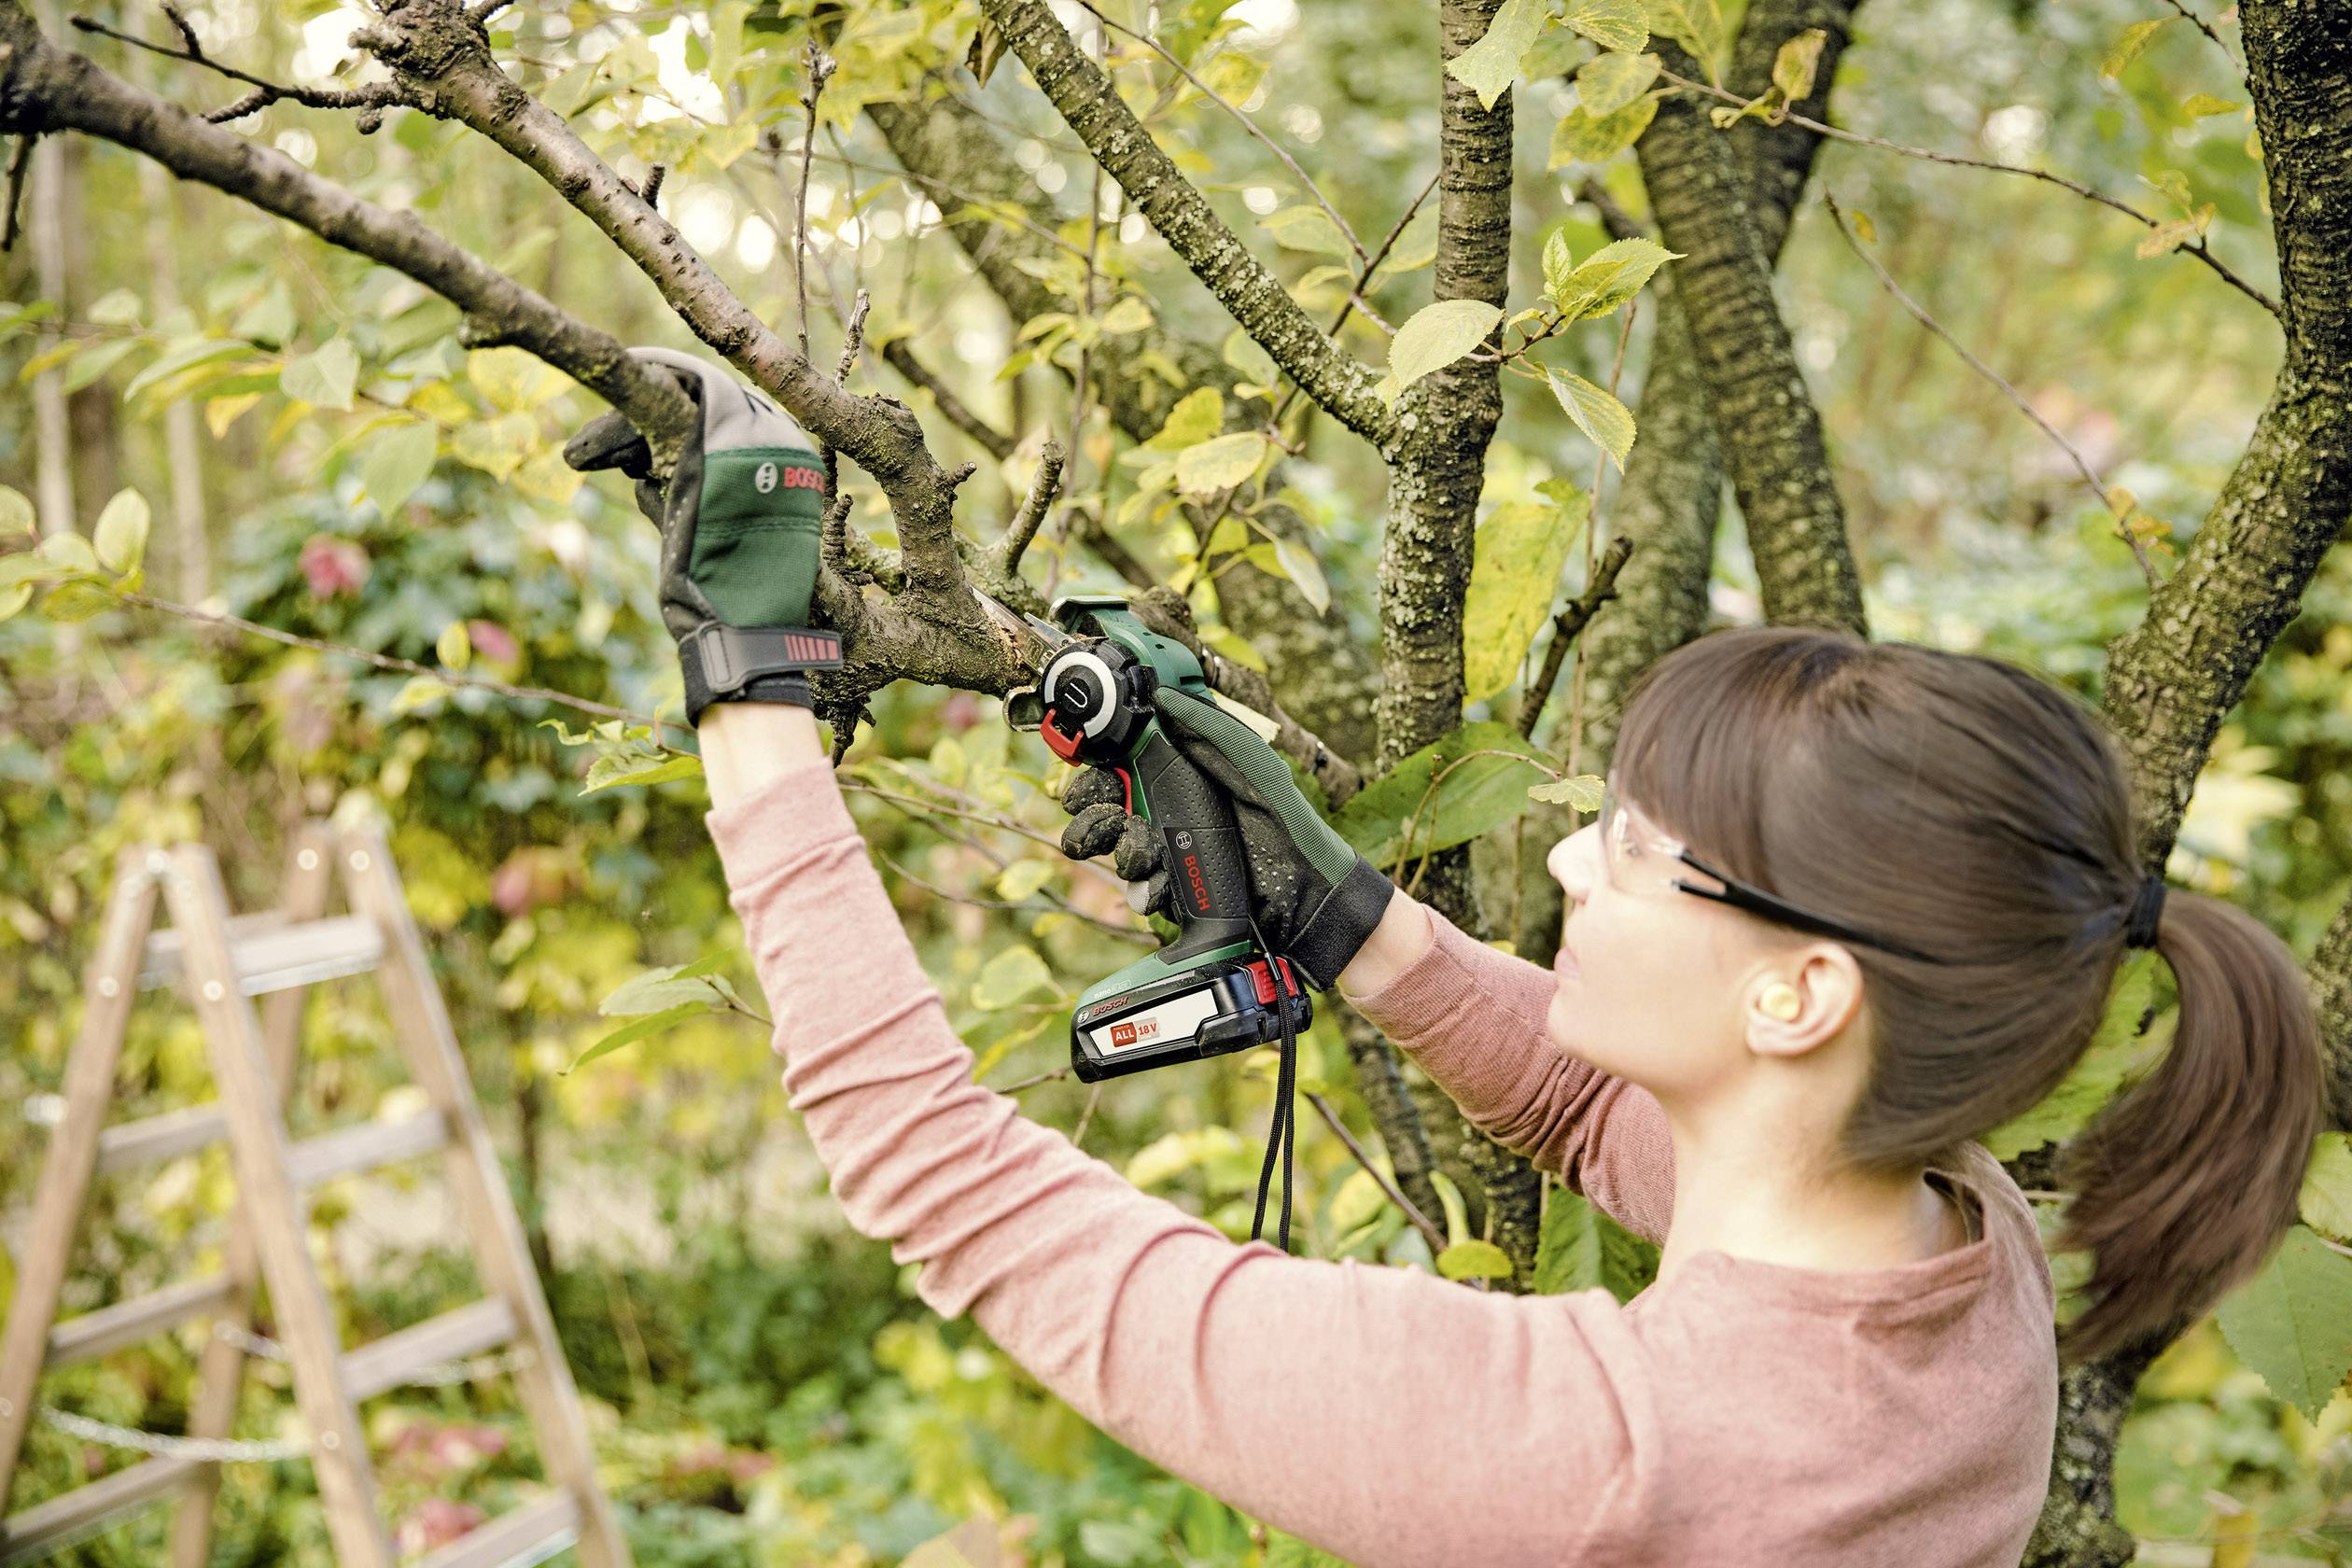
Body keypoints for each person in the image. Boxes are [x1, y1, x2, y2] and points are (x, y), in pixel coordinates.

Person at [566, 354, 2324, 1567]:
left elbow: (943, 1181)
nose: (1567, 854)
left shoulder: (1609, 1459)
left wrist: (756, 690)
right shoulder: (1959, 1248)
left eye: (1633, 850)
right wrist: (1347, 918)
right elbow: (1590, 1103)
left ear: (1800, 995)